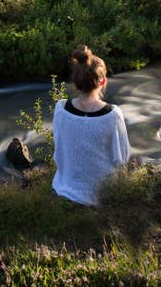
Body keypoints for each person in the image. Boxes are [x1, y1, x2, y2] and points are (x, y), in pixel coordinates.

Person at [51, 45, 131, 206]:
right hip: (103, 193)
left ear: (76, 80)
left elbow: (58, 147)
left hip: (65, 186)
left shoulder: (61, 109)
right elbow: (122, 157)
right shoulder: (113, 115)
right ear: (103, 80)